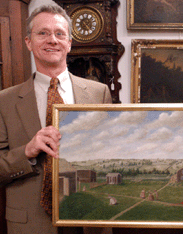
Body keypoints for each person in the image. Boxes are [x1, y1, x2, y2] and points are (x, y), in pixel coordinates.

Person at [0, 4, 112, 234]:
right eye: (43, 33)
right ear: (28, 42)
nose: (52, 39)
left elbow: (110, 152)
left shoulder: (99, 93)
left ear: (69, 43)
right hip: (30, 224)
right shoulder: (5, 101)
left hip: (88, 220)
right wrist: (27, 152)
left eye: (59, 33)